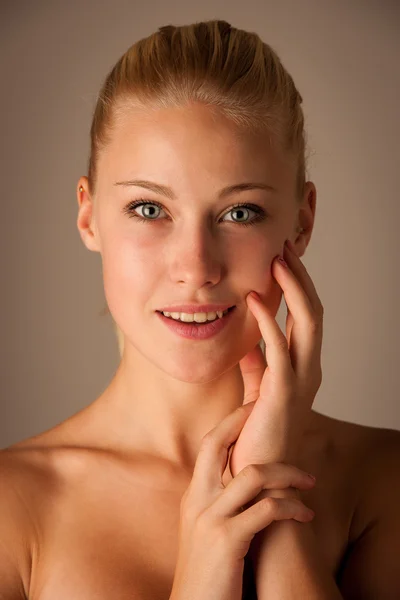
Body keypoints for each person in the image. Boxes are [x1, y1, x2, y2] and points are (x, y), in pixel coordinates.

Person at [1, 19, 399, 600]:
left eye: (240, 213)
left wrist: (268, 490)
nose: (196, 267)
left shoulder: (385, 481)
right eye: (148, 209)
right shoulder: (13, 507)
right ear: (88, 216)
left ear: (302, 221)